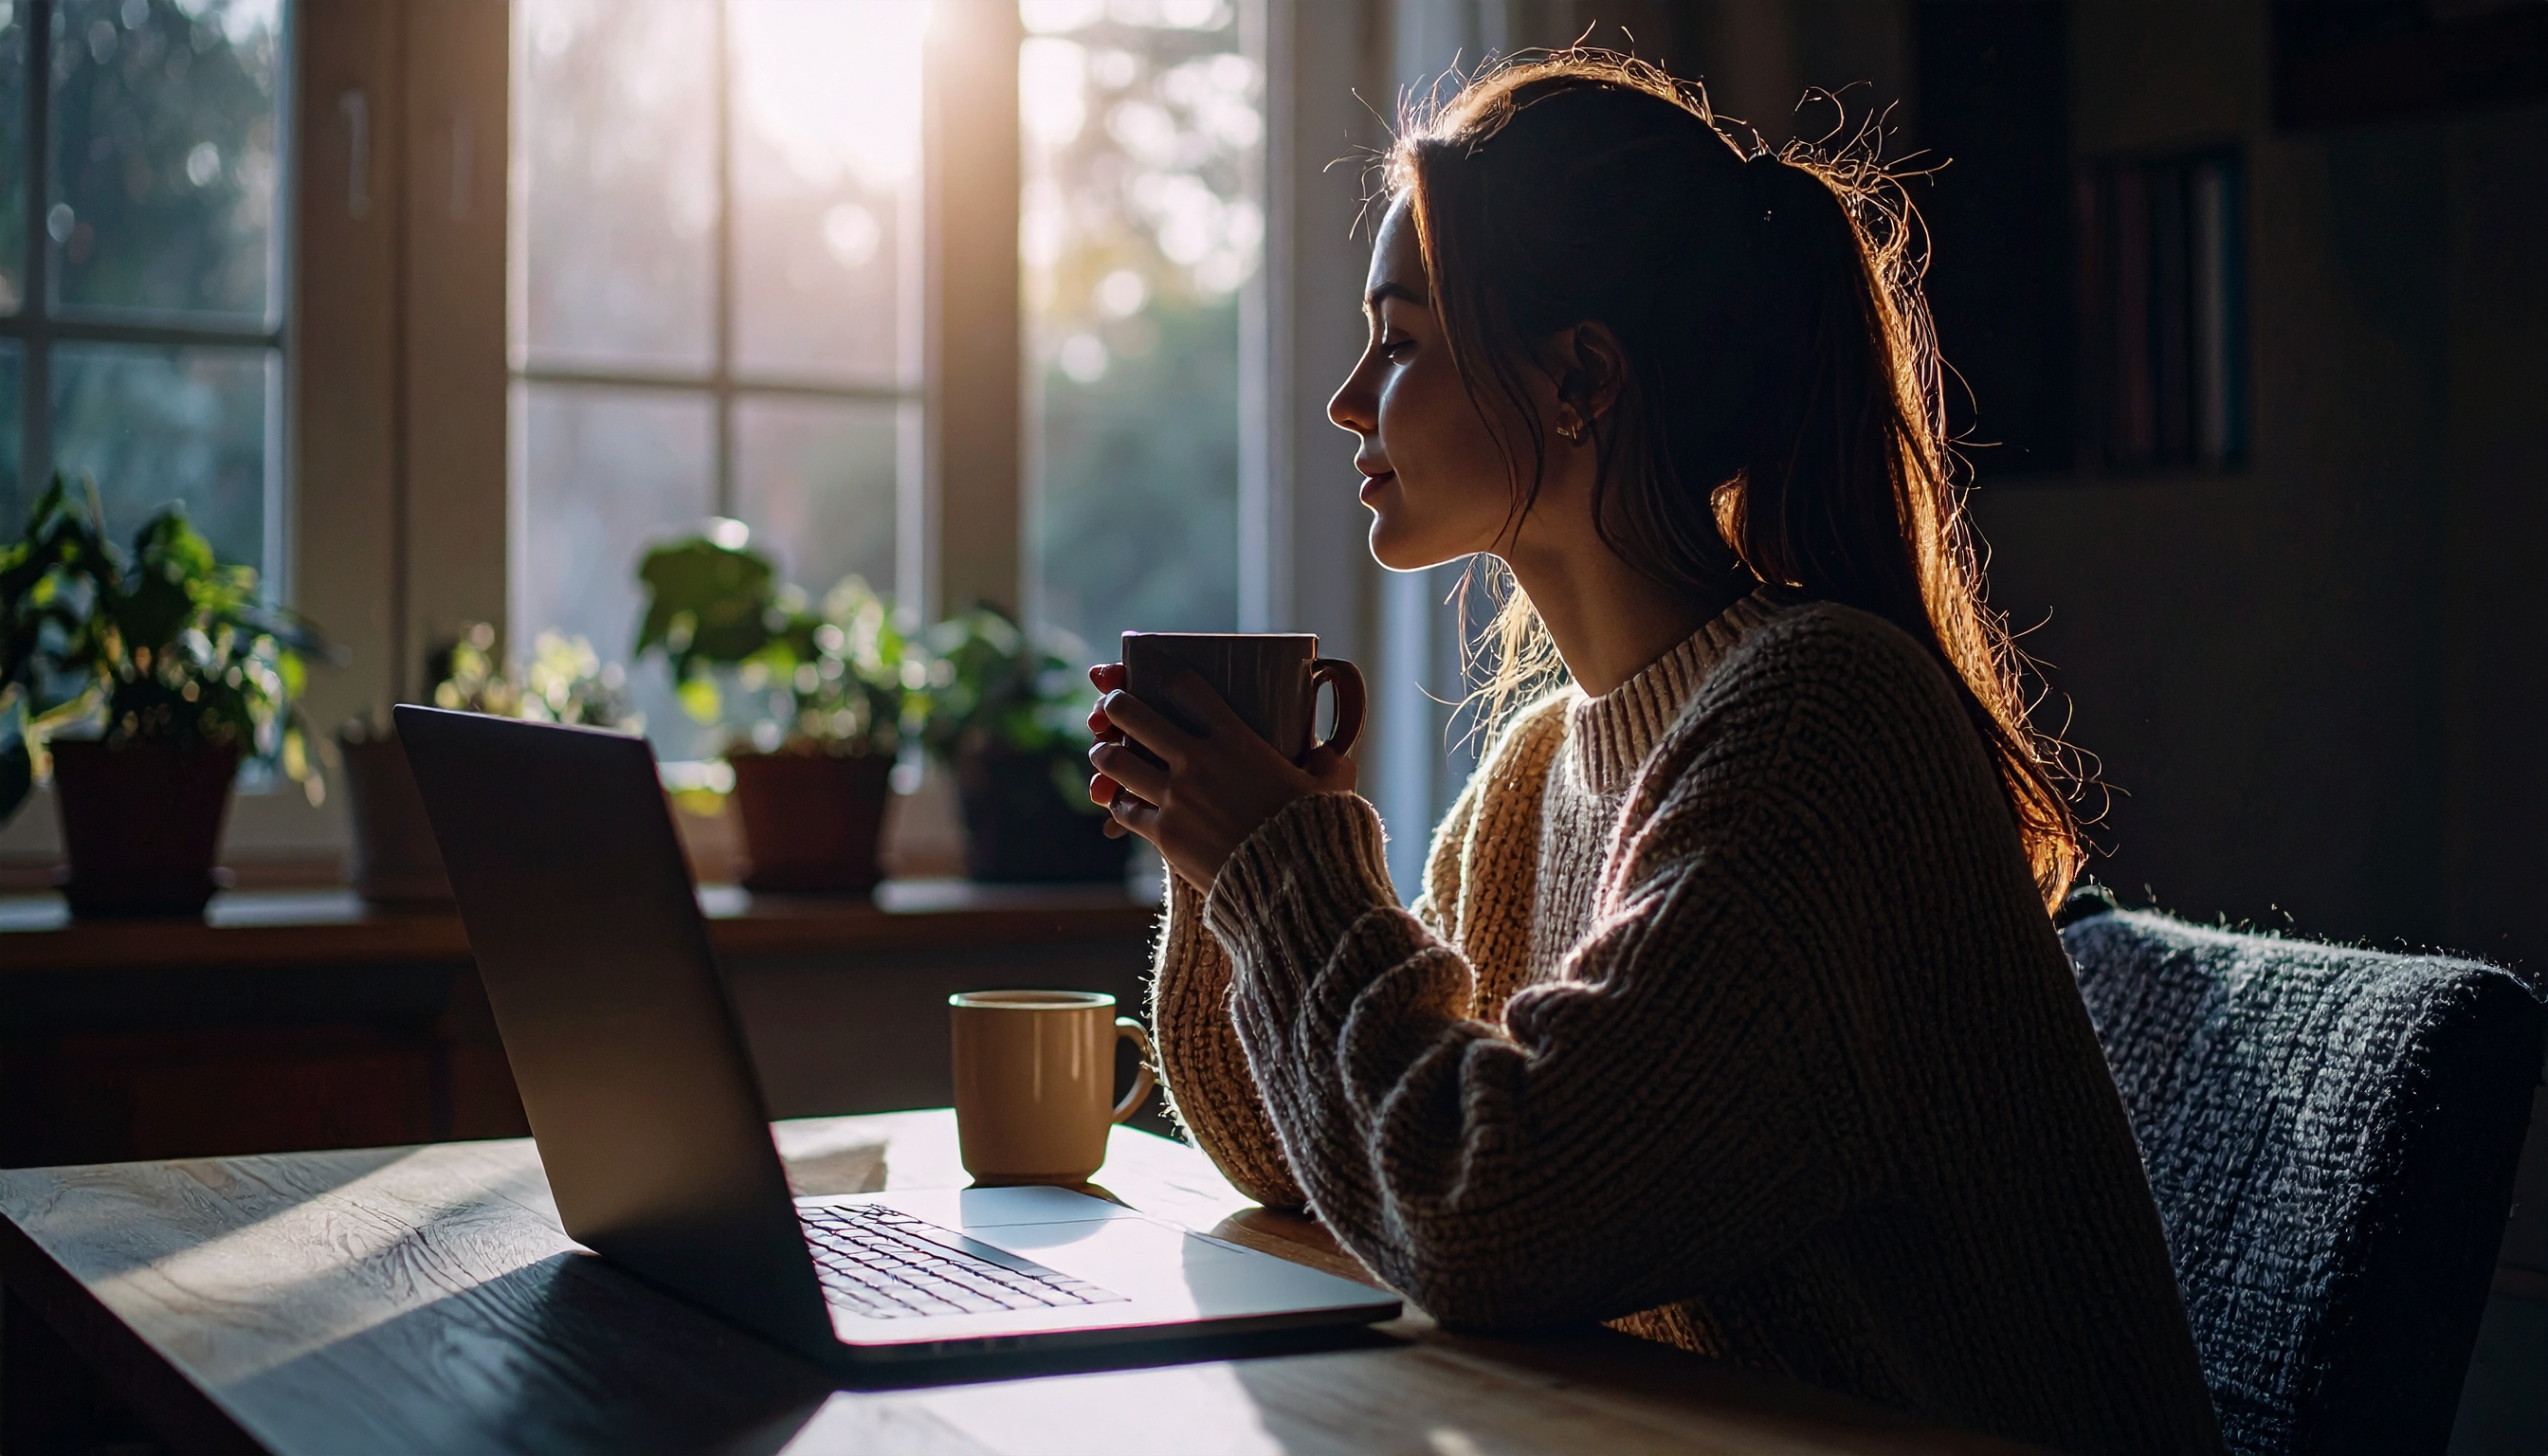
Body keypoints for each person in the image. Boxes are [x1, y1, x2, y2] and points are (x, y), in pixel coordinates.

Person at [1084, 52, 2221, 1456]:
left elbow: (1484, 1212)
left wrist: (1281, 870)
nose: (1347, 398)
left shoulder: (1819, 729)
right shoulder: (1542, 771)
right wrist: (1233, 862)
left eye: (1403, 335)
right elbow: (1312, 1164)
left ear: (1580, 378)